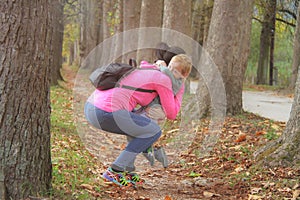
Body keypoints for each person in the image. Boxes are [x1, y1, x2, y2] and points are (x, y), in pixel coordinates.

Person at [84, 54, 192, 187]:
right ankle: (115, 170)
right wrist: (180, 90)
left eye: (175, 71)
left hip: (91, 107)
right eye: (171, 68)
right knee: (153, 131)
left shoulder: (147, 69)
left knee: (141, 125)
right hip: (105, 112)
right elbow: (171, 113)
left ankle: (126, 170)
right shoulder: (163, 79)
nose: (171, 72)